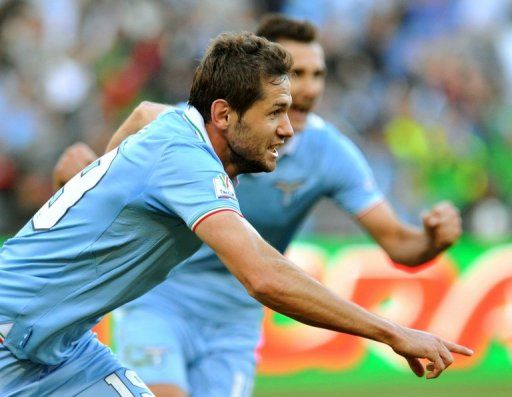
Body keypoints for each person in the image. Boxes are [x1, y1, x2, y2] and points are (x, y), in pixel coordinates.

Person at [53, 16, 465, 397]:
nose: (308, 88)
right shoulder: (196, 128)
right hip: (161, 295)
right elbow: (141, 121)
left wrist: (432, 239)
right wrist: (87, 174)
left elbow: (399, 245)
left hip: (236, 316)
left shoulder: (329, 152)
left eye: (317, 74)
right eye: (295, 74)